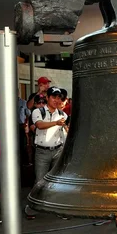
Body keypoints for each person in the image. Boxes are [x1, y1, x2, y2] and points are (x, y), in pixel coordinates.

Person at [24, 87, 67, 220]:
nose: (56, 100)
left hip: (58, 150)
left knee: (58, 181)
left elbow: (64, 132)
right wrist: (56, 123)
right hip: (42, 151)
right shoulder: (38, 111)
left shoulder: (63, 115)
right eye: (53, 97)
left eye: (59, 98)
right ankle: (32, 207)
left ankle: (57, 208)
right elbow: (40, 125)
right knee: (40, 180)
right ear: (47, 98)